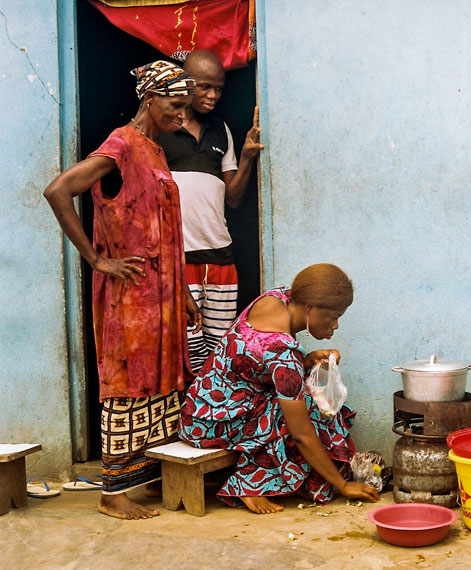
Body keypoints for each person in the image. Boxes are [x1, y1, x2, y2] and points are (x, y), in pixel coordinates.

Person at [44, 60, 201, 520]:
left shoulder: (154, 148)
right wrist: (96, 259)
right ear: (150, 99)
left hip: (163, 298)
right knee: (127, 386)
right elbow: (59, 190)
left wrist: (183, 291)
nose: (182, 115)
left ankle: (145, 478)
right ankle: (113, 492)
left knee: (160, 386)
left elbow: (166, 229)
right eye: (175, 105)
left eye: (186, 107)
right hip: (128, 297)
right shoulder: (121, 145)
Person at [179, 263, 380, 514]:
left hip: (201, 406)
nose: (335, 325)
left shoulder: (276, 298)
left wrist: (306, 362)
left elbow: (258, 365)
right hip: (210, 424)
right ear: (311, 307)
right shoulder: (282, 351)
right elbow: (301, 434)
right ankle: (249, 484)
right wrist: (342, 485)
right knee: (311, 411)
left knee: (304, 402)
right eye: (333, 316)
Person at [156, 49, 263, 373]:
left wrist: (246, 156)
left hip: (220, 259)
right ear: (184, 82)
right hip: (178, 259)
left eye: (219, 88)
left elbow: (233, 199)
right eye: (205, 86)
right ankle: (183, 421)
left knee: (220, 352)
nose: (214, 95)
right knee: (183, 352)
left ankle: (211, 420)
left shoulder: (222, 131)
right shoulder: (158, 129)